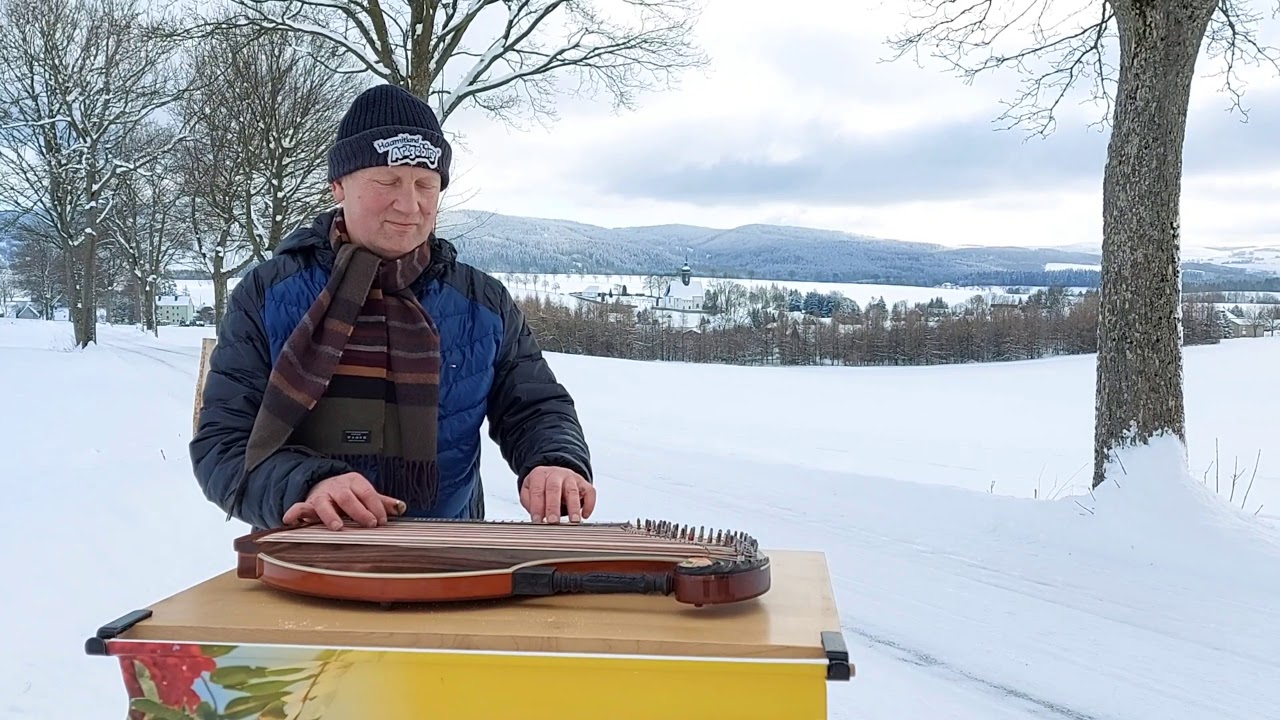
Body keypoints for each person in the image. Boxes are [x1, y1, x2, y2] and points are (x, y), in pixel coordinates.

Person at [189, 83, 594, 532]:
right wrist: (309, 486)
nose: (410, 204)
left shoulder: (484, 303)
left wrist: (554, 460)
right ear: (338, 186)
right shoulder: (267, 293)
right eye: (387, 181)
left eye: (426, 184)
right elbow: (222, 447)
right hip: (309, 557)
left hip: (446, 557)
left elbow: (534, 407)